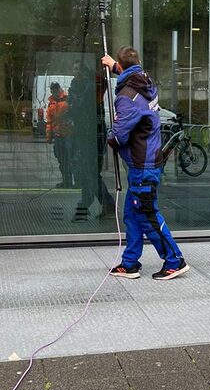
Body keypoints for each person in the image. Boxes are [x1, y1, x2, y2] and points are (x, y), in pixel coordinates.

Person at [102, 46, 188, 280]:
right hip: (148, 160)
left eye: (119, 67)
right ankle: (130, 264)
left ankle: (175, 260)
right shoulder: (145, 82)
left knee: (148, 215)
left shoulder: (126, 97)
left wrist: (110, 136)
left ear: (124, 68)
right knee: (132, 214)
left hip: (142, 166)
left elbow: (119, 135)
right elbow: (129, 71)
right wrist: (114, 66)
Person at [69, 62, 116, 222]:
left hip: (91, 134)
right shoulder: (78, 87)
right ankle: (85, 205)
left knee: (90, 171)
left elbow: (79, 108)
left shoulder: (88, 88)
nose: (75, 72)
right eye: (74, 69)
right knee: (88, 171)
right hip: (87, 133)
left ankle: (97, 204)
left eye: (77, 69)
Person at [45, 82, 74, 188]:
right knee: (61, 160)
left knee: (68, 160)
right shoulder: (51, 103)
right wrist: (49, 136)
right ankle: (66, 181)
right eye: (53, 90)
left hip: (68, 135)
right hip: (58, 135)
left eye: (56, 89)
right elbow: (49, 121)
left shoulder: (67, 100)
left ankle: (69, 181)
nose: (55, 92)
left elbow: (72, 116)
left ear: (59, 89)